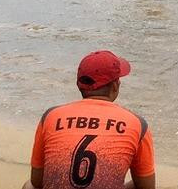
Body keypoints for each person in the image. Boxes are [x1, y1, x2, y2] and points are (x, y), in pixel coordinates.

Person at [24, 51, 155, 189]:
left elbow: (37, 181)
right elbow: (147, 187)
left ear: (79, 85)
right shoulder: (137, 124)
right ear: (115, 86)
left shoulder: (50, 117)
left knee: (29, 186)